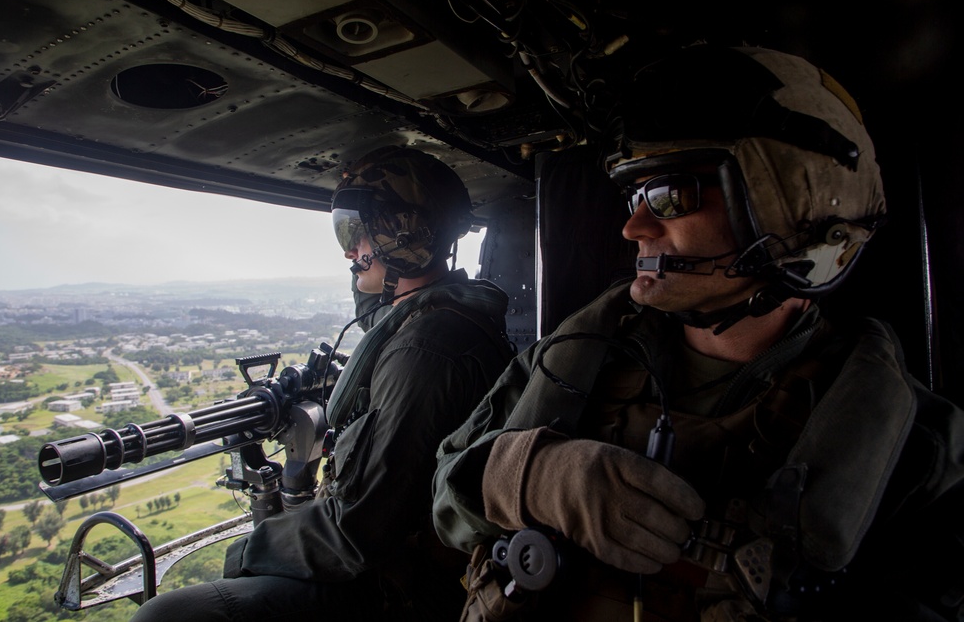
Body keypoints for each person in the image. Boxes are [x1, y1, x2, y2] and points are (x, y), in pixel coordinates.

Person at [432, 45, 964, 621]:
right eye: (636, 196)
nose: (633, 226)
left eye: (669, 196)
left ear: (790, 208)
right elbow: (445, 499)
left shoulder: (914, 445)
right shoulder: (571, 359)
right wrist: (532, 476)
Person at [132, 146, 514, 621]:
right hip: (403, 563)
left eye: (357, 231)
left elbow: (361, 527)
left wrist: (247, 552)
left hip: (404, 587)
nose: (350, 251)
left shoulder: (426, 346)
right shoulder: (435, 320)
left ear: (406, 232)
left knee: (166, 617)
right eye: (344, 233)